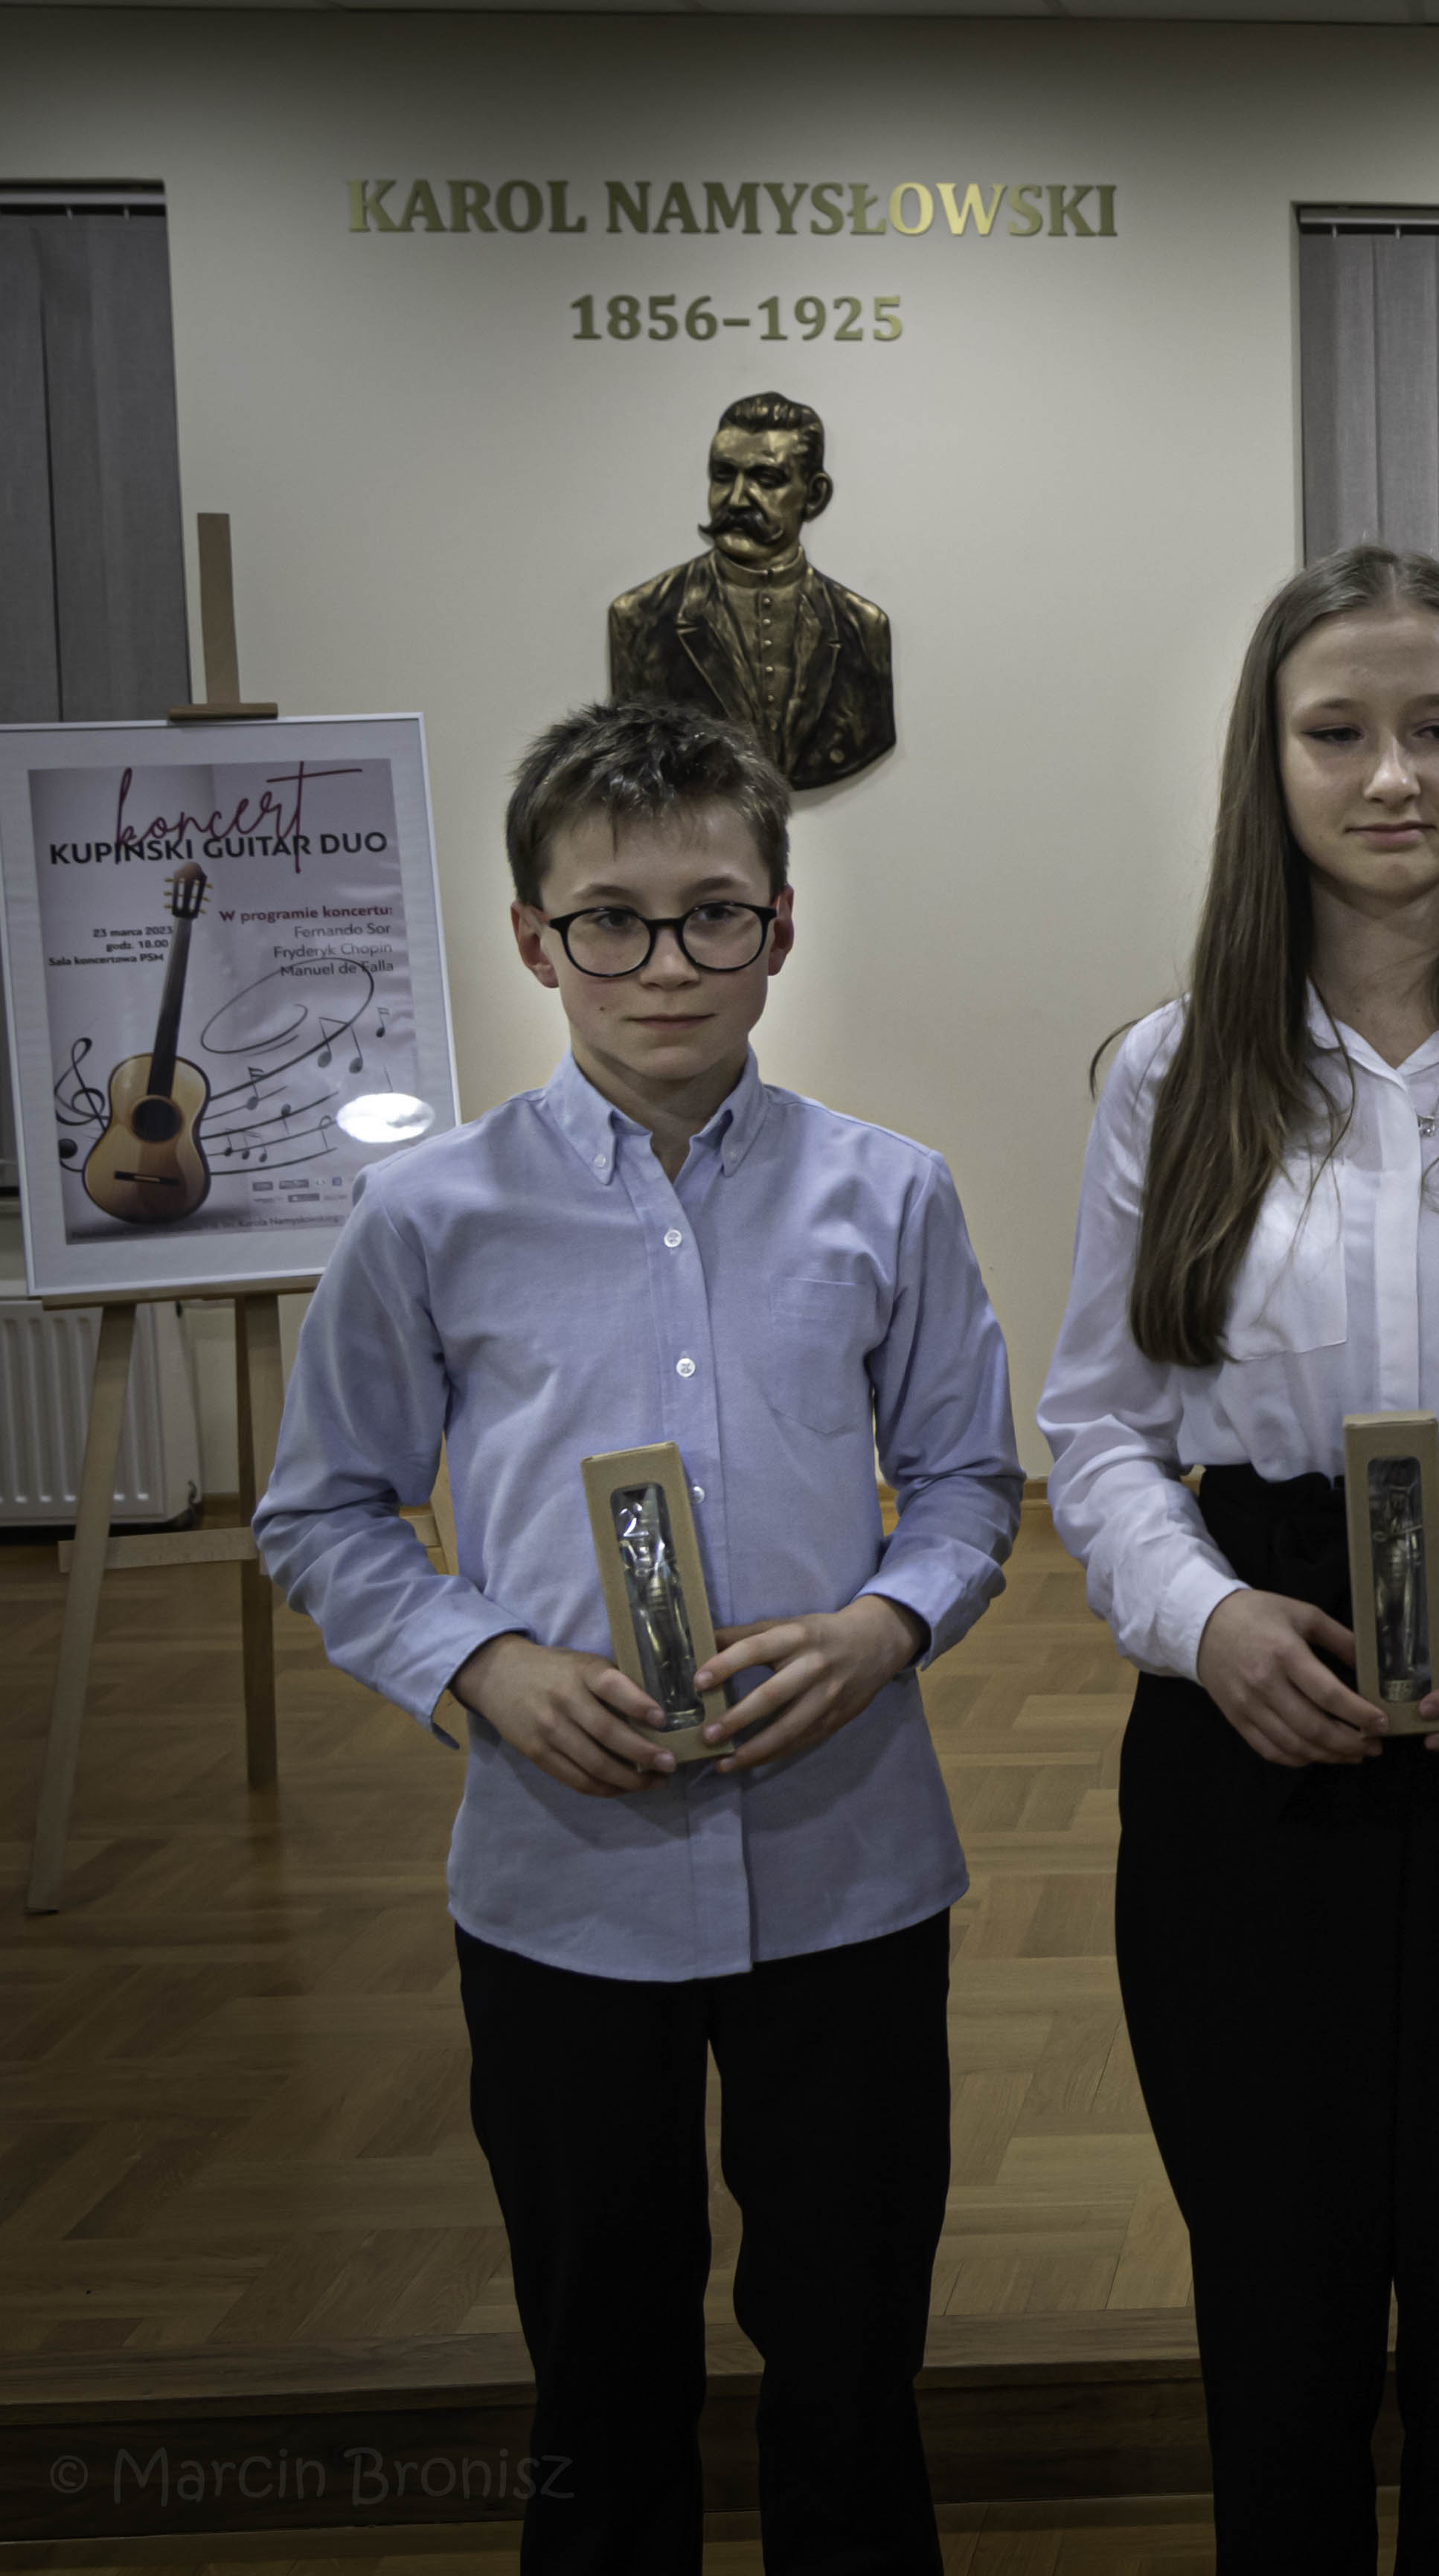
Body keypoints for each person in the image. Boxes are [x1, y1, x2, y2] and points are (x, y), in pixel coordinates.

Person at [254, 699, 1022, 2575]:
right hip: (561, 1883)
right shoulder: (426, 1217)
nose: (664, 963)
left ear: (781, 924)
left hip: (847, 1867)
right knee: (598, 2360)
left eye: (712, 913)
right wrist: (481, 1663)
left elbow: (967, 1481)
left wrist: (884, 1624)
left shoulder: (889, 1193)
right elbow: (323, 1509)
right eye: (612, 918)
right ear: (535, 938)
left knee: (851, 2347)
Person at [1038, 545, 1439, 2572]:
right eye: (1339, 731)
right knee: (1282, 2271)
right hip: (1256, 1692)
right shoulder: (1169, 1071)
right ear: (1272, 761)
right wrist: (1206, 1616)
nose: (1392, 774)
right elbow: (1100, 1425)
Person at [606, 391, 897, 790]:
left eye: (767, 479)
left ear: (815, 496)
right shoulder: (639, 617)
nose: (737, 499)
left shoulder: (863, 628)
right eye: (724, 475)